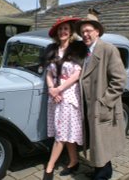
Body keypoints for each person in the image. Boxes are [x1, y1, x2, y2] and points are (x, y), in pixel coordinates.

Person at [76, 8, 127, 180]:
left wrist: (104, 102)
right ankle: (100, 169)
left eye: (88, 31)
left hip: (101, 105)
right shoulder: (85, 52)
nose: (85, 34)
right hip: (89, 106)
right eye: (83, 32)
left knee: (102, 141)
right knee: (96, 142)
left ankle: (103, 173)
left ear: (97, 32)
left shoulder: (108, 49)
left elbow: (119, 81)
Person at [43, 17, 88, 180]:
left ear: (70, 32)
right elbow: (48, 72)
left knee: (61, 134)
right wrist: (51, 89)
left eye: (66, 29)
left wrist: (59, 89)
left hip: (68, 95)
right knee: (65, 129)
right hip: (55, 94)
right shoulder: (52, 49)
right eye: (60, 29)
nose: (63, 32)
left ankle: (49, 168)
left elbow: (77, 74)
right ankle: (74, 161)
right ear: (57, 33)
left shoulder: (76, 49)